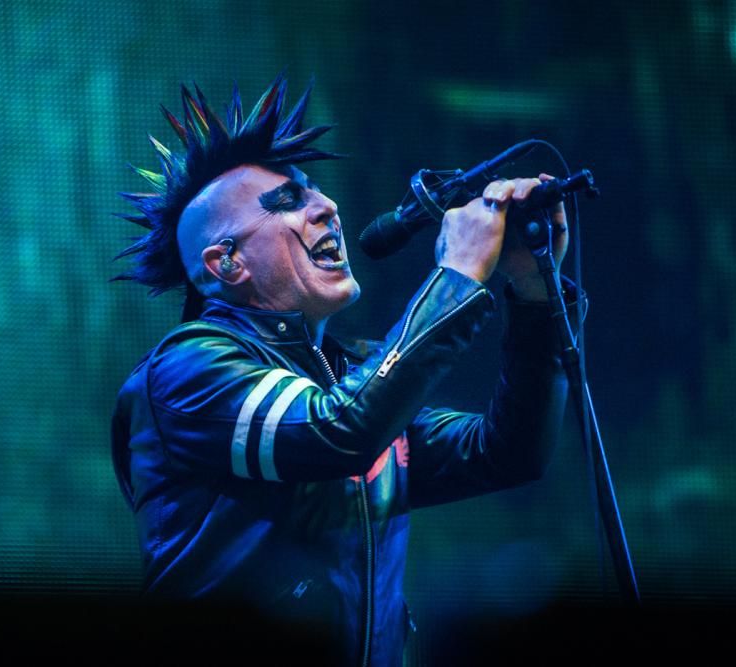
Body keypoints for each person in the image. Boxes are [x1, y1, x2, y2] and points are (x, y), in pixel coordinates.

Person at [110, 74, 581, 666]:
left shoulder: (351, 376)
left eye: (317, 194)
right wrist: (457, 275)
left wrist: (535, 295)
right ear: (226, 262)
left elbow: (506, 453)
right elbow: (341, 433)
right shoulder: (187, 369)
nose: (328, 207)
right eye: (289, 202)